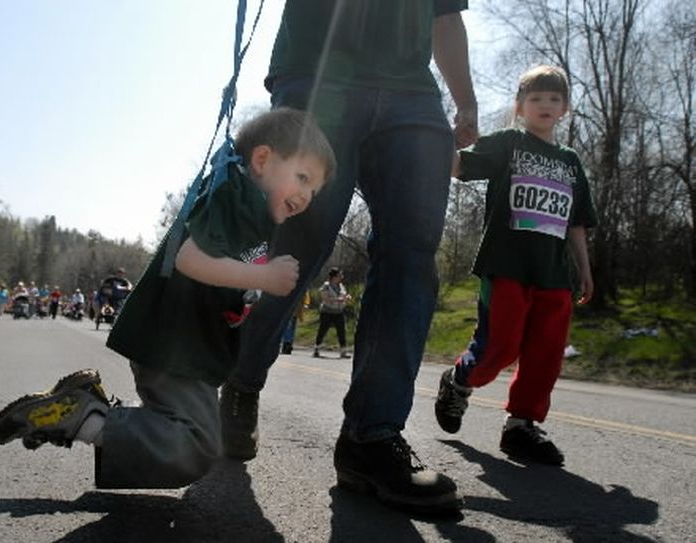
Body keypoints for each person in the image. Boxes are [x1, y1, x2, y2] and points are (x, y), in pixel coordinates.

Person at [220, 0, 477, 515]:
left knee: (411, 253)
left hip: (412, 91)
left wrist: (465, 100)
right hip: (317, 73)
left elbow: (445, 13)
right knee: (299, 247)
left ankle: (371, 435)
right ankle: (242, 381)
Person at [0, 107, 335, 490]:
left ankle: (89, 406)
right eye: (302, 178)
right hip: (176, 344)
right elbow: (189, 258)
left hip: (191, 348)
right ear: (262, 159)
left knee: (190, 436)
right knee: (198, 445)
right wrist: (263, 276)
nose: (306, 195)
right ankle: (85, 417)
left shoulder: (253, 212)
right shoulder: (231, 196)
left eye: (314, 190)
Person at [433, 65, 597, 467]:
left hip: (554, 275)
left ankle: (521, 426)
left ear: (565, 109)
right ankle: (459, 381)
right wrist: (444, 143)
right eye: (536, 98)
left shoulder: (570, 161)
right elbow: (459, 167)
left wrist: (585, 270)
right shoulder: (509, 143)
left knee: (546, 353)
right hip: (506, 265)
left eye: (554, 99)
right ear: (520, 107)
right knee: (500, 347)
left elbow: (576, 223)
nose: (545, 105)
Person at [313, 267, 351, 358]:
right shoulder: (326, 286)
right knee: (323, 330)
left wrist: (347, 297)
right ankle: (317, 349)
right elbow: (325, 298)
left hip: (339, 312)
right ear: (334, 277)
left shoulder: (341, 286)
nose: (341, 277)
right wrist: (338, 299)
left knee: (341, 331)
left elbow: (344, 295)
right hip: (327, 312)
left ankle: (343, 351)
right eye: (339, 275)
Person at [280, 289, 310, 355]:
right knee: (288, 326)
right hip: (287, 308)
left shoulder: (302, 284)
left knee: (292, 327)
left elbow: (306, 295)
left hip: (297, 309)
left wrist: (306, 304)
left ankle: (289, 344)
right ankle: (287, 344)